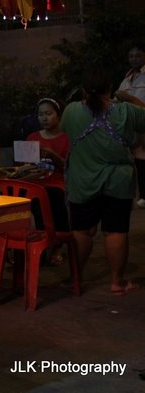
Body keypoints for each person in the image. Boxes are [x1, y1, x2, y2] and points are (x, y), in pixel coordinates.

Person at [61, 66, 145, 296]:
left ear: (83, 90)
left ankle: (75, 279)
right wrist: (129, 98)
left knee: (82, 231)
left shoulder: (71, 112)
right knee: (115, 231)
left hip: (83, 182)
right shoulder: (126, 110)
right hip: (118, 183)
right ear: (110, 88)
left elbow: (64, 131)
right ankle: (117, 282)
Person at [26, 97, 70, 264]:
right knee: (34, 203)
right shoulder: (32, 137)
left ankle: (58, 246)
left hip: (55, 183)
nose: (44, 118)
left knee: (55, 200)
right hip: (35, 183)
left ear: (58, 116)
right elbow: (24, 165)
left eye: (49, 114)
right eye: (41, 114)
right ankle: (41, 244)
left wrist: (53, 155)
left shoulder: (65, 139)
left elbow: (68, 166)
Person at [115, 41, 145, 207]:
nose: (134, 59)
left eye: (138, 55)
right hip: (131, 129)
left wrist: (129, 99)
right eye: (131, 56)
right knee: (137, 162)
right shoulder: (127, 79)